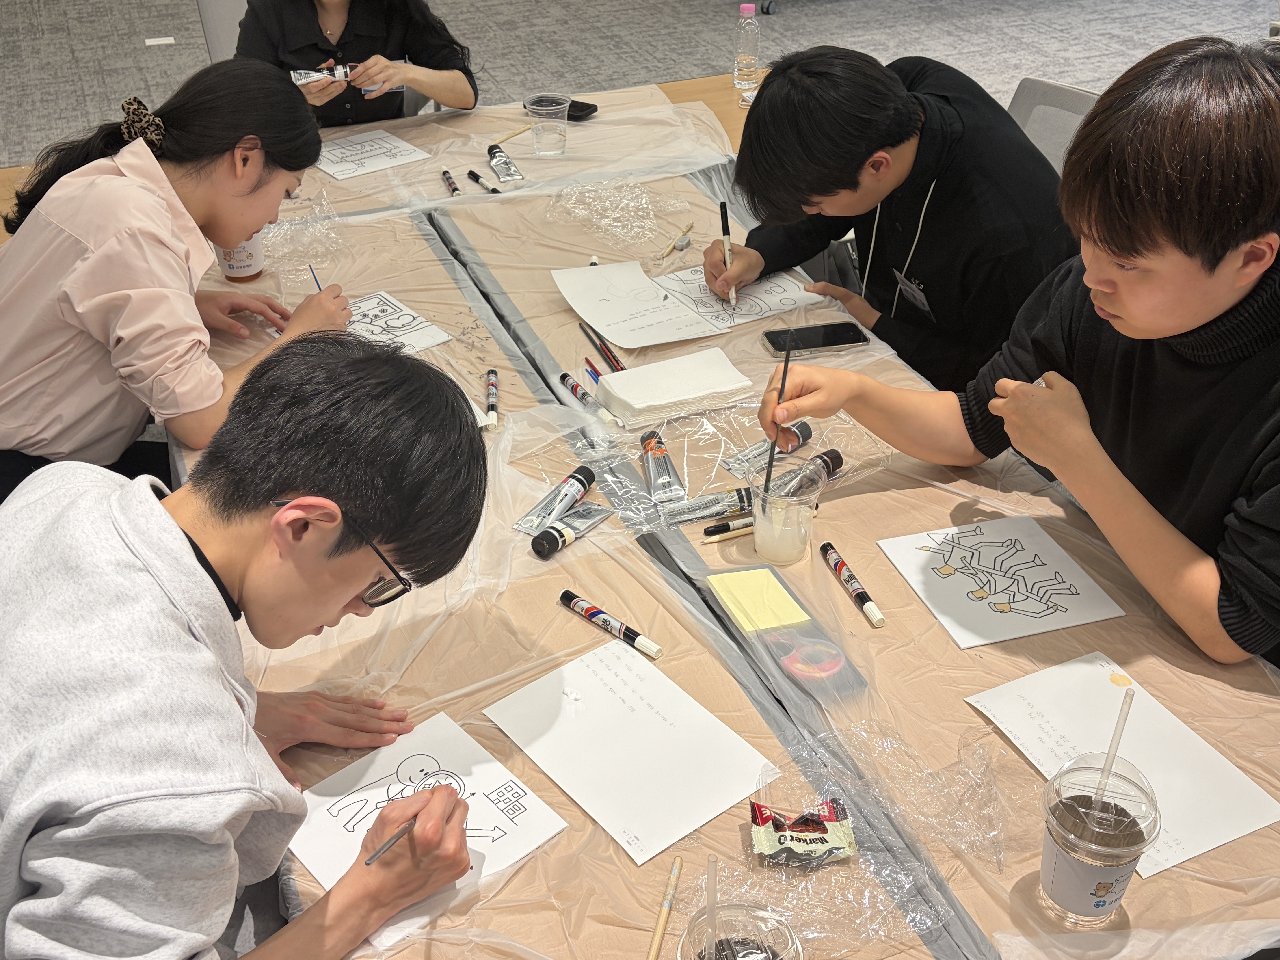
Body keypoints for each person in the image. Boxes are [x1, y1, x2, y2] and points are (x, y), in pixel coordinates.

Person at [757, 37, 1280, 668]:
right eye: (1086, 239)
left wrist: (1078, 458)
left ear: (1251, 258)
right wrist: (855, 393)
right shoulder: (1089, 294)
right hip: (1126, 588)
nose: (1092, 276)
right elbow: (972, 427)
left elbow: (1233, 628)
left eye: (1127, 262)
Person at [0, 332, 489, 957]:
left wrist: (228, 702)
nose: (362, 610)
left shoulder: (68, 486)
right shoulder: (182, 783)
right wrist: (372, 895)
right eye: (379, 582)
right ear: (303, 525)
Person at [0, 59, 351, 502]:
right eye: (285, 192)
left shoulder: (116, 182)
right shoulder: (136, 232)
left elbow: (86, 290)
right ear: (245, 158)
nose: (275, 216)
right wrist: (300, 338)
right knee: (274, 491)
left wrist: (186, 302)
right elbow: (200, 421)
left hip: (34, 438)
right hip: (26, 478)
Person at [707, 47, 1075, 391]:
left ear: (877, 166)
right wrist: (761, 254)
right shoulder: (895, 92)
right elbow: (833, 199)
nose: (810, 214)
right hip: (884, 316)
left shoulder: (1005, 234)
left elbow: (992, 376)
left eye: (815, 204)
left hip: (958, 375)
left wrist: (874, 322)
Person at [236, 0, 478, 127]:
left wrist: (405, 72)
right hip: (299, 156)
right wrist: (294, 97)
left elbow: (466, 94)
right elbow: (239, 104)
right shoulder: (268, 10)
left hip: (384, 151)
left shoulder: (396, 7)